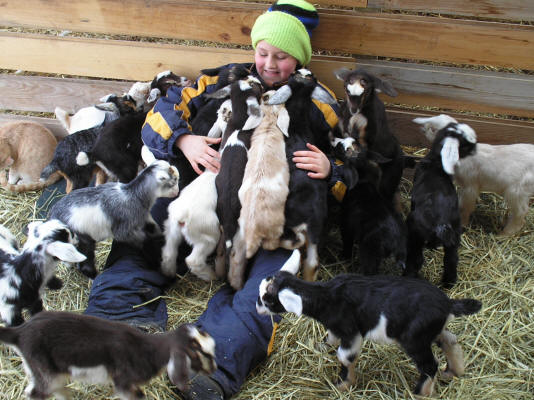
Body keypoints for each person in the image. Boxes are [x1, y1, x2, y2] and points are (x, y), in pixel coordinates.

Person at [35, 1, 347, 399]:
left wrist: (331, 168)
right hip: (199, 202)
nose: (270, 64)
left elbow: (355, 161)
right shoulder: (220, 82)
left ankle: (210, 361)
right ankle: (114, 317)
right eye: (263, 52)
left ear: (299, 57)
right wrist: (184, 138)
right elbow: (161, 114)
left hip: (269, 222)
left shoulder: (318, 102)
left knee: (266, 290)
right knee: (145, 233)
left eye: (282, 57)